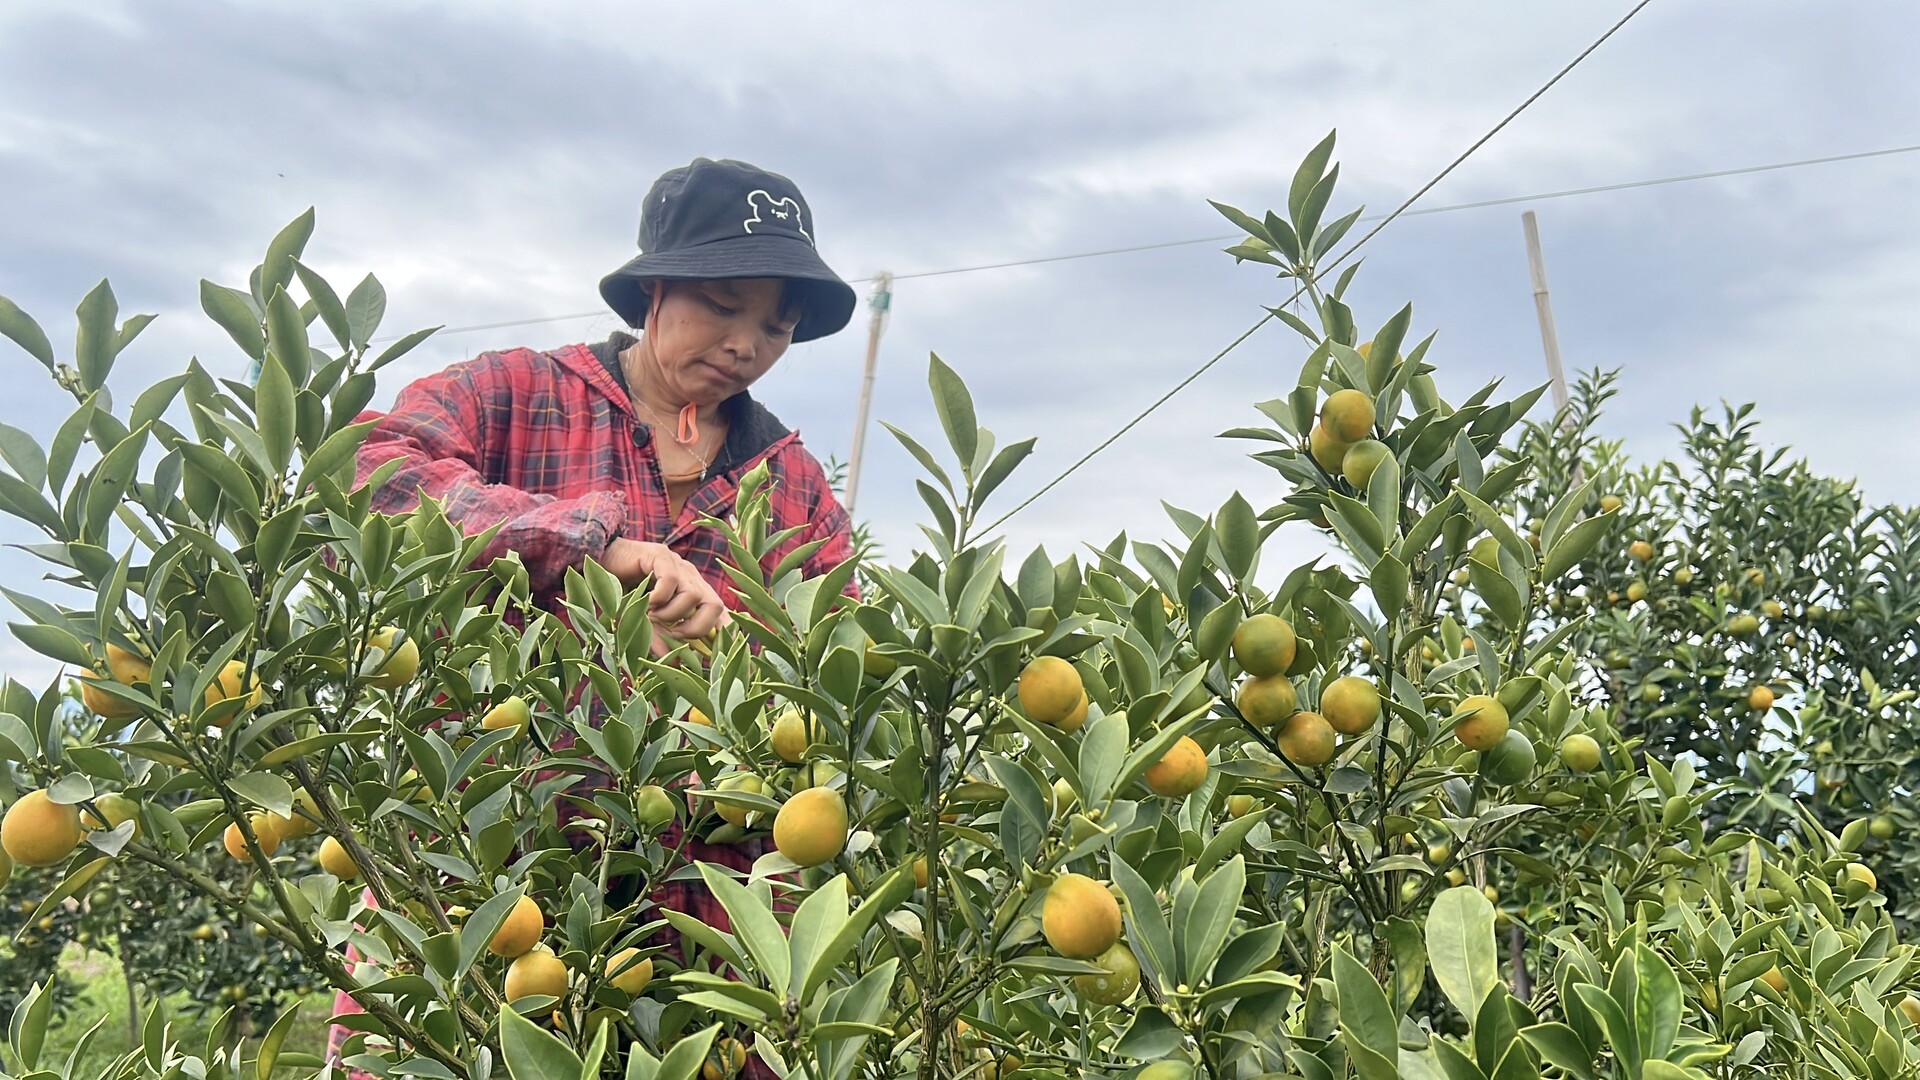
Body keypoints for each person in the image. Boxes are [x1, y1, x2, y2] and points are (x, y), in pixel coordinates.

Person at [324, 158, 859, 1074]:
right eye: (724, 304)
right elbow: (363, 476)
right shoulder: (513, 396)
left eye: (777, 323)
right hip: (484, 884)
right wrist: (581, 548)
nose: (747, 343)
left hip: (706, 927)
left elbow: (837, 678)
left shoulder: (793, 486)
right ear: (654, 288)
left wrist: (736, 659)